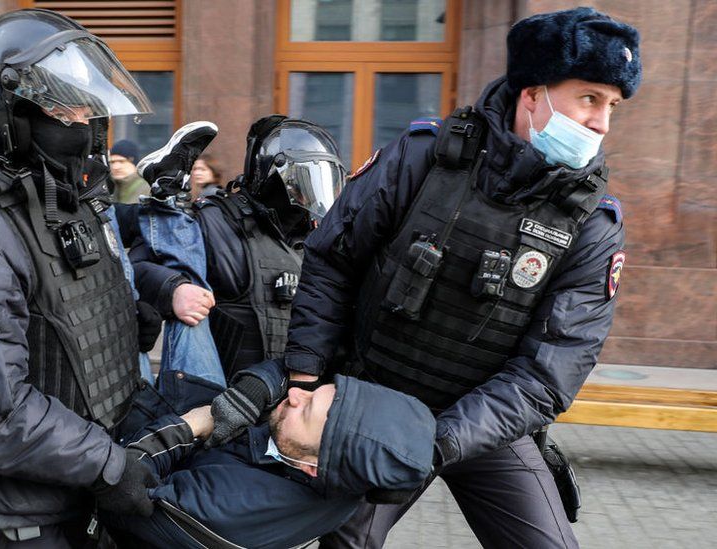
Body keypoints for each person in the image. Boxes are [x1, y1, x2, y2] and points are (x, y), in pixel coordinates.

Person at [209, 7, 639, 549]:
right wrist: (305, 376)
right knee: (348, 542)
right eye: (590, 98)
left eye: (613, 106)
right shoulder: (422, 158)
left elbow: (549, 373)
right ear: (534, 94)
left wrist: (435, 443)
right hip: (371, 398)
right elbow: (331, 261)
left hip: (484, 423)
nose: (602, 122)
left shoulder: (592, 223)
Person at [0, 9, 162, 546]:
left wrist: (124, 321)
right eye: (69, 108)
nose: (86, 124)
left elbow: (59, 314)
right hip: (17, 509)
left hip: (72, 480)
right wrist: (108, 465)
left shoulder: (53, 193)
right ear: (10, 112)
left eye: (91, 108)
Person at [102, 361, 436, 549]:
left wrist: (191, 424)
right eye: (312, 393)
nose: (294, 394)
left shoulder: (221, 507)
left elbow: (121, 487)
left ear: (313, 468)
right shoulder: (344, 482)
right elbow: (290, 368)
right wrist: (259, 385)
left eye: (305, 410)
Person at [132, 116, 344, 385]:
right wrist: (171, 289)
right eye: (303, 182)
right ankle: (167, 195)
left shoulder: (319, 242)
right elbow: (133, 270)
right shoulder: (216, 221)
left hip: (289, 405)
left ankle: (167, 193)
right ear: (276, 179)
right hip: (215, 399)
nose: (311, 196)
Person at [109, 139, 150, 204]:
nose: (116, 167)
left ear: (134, 162)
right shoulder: (110, 187)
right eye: (112, 162)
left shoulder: (147, 189)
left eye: (121, 161)